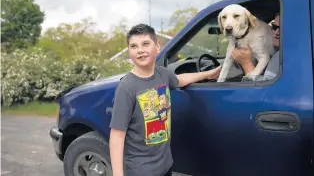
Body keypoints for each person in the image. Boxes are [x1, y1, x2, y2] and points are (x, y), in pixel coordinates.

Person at [109, 24, 221, 176]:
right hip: (141, 170)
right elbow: (117, 135)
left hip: (165, 165)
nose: (140, 50)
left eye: (145, 44)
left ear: (157, 46)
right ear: (129, 51)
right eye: (134, 46)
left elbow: (180, 80)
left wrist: (207, 74)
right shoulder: (126, 87)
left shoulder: (161, 74)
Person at [231, 12, 280, 81]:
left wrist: (246, 64)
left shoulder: (281, 55)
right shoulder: (273, 50)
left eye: (283, 28)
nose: (276, 32)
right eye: (274, 27)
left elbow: (267, 89)